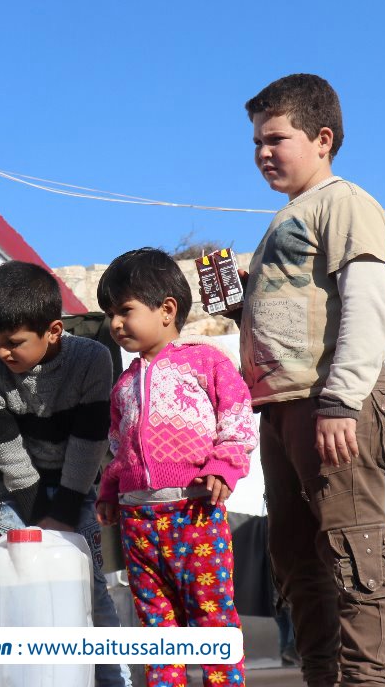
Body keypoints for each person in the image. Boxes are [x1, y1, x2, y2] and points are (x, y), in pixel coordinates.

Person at [241, 73, 385, 686]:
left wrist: (341, 399)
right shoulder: (290, 217)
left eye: (275, 138)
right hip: (283, 411)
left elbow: (369, 303)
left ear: (322, 138)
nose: (262, 152)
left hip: (330, 405)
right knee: (296, 561)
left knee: (354, 552)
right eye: (256, 141)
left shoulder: (344, 202)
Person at [95, 248, 256, 687]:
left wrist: (225, 465)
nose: (115, 323)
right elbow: (119, 448)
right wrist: (110, 489)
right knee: (156, 629)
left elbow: (237, 416)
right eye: (110, 314)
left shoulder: (207, 362)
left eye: (124, 310)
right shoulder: (124, 384)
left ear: (167, 310)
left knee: (212, 620)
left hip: (194, 513)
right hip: (138, 522)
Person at [0, 260, 128, 687]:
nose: (2, 352)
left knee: (90, 589)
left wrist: (63, 511)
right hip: (19, 494)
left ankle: (111, 677)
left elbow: (89, 443)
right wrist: (39, 512)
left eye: (14, 342)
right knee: (14, 584)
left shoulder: (92, 360)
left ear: (54, 331)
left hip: (78, 491)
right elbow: (6, 448)